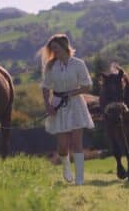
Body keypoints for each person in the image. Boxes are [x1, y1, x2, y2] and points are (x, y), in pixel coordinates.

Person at [37, 34, 95, 185]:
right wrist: (48, 105)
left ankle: (80, 179)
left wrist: (72, 93)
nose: (53, 51)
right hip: (57, 105)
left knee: (77, 143)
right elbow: (45, 87)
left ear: (64, 46)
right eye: (52, 48)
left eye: (55, 47)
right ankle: (66, 168)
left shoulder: (78, 64)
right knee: (62, 146)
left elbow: (87, 85)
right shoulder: (50, 66)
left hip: (76, 103)